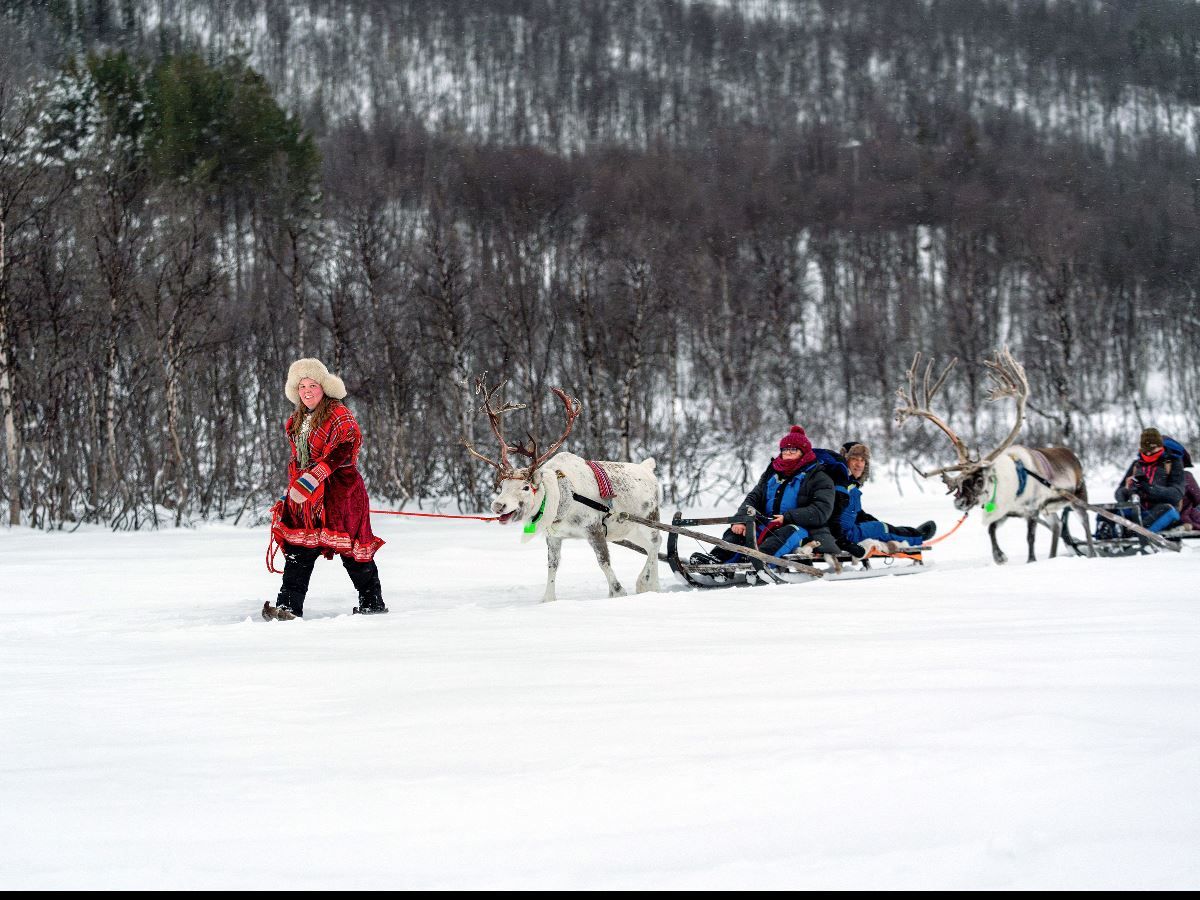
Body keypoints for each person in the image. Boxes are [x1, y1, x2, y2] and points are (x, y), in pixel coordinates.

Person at [263, 358, 387, 619]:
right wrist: (295, 488)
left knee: (351, 550)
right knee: (299, 548)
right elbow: (300, 459)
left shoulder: (339, 414)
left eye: (312, 385)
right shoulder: (297, 420)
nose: (307, 391)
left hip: (341, 491)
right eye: (302, 386)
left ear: (324, 387)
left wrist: (314, 477)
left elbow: (344, 448)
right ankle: (288, 607)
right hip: (306, 496)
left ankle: (372, 603)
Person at [692, 425, 837, 565]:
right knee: (739, 531)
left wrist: (787, 517)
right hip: (768, 524)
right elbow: (753, 498)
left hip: (804, 529)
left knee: (786, 533)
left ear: (803, 452)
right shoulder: (772, 473)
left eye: (793, 449)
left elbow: (821, 511)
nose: (788, 453)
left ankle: (758, 564)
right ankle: (717, 560)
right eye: (785, 449)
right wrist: (741, 519)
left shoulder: (819, 477)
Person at [831, 441, 937, 557]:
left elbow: (852, 512)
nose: (859, 464)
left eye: (862, 460)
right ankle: (917, 536)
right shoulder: (842, 485)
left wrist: (869, 520)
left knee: (879, 525)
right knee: (881, 529)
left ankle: (909, 533)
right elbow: (834, 516)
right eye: (854, 459)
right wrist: (842, 540)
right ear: (845, 460)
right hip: (846, 535)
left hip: (845, 531)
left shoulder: (848, 483)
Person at [1109, 427, 1185, 534]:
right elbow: (1118, 493)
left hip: (1161, 511)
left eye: (1152, 450)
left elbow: (1176, 494)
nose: (1148, 454)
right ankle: (1109, 533)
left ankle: (1135, 533)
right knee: (1108, 511)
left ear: (1160, 447)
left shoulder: (1173, 463)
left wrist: (1149, 488)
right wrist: (1126, 490)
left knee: (1165, 509)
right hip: (1137, 510)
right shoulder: (1137, 464)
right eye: (1145, 450)